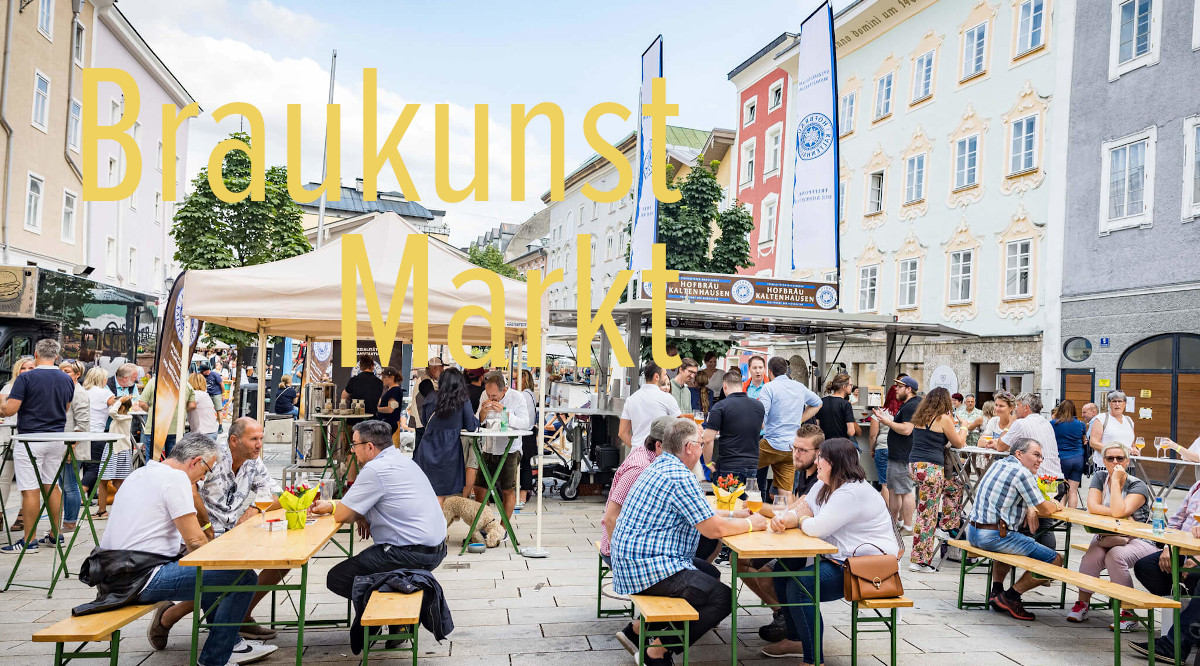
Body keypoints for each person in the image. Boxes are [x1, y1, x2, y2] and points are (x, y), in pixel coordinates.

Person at [83, 432, 276, 666]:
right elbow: (195, 542)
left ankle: (231, 644)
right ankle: (214, 659)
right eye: (206, 471)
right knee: (243, 578)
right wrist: (225, 559)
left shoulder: (141, 474)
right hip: (140, 578)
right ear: (195, 461)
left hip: (113, 574)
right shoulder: (176, 480)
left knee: (217, 577)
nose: (203, 478)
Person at [610, 419, 768, 666]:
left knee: (709, 572)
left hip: (634, 559)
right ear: (688, 447)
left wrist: (733, 515)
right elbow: (713, 529)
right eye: (702, 443)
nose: (705, 447)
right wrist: (751, 525)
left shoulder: (661, 465)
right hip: (646, 566)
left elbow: (698, 511)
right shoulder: (679, 476)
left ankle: (638, 630)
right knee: (722, 598)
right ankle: (658, 652)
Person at [760, 438, 900, 661]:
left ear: (833, 462)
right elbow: (802, 509)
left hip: (867, 569)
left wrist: (802, 518)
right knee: (782, 571)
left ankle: (814, 659)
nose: (816, 462)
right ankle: (796, 641)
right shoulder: (824, 484)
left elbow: (815, 527)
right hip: (841, 561)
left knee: (801, 587)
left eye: (819, 458)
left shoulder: (851, 492)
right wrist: (785, 520)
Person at [149, 418, 286, 645]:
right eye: (254, 439)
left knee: (283, 558)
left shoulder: (253, 461)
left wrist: (253, 509)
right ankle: (168, 616)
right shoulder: (213, 457)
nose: (259, 444)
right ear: (233, 440)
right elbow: (189, 490)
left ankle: (241, 615)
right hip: (200, 536)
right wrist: (205, 526)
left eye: (261, 439)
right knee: (232, 576)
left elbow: (276, 494)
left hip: (233, 532)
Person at [312, 420, 448, 600]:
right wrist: (359, 513)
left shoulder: (375, 469)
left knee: (339, 578)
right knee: (366, 572)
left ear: (369, 447)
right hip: (435, 549)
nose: (352, 451)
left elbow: (342, 515)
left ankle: (386, 611)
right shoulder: (402, 460)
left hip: (411, 553)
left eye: (354, 445)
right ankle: (381, 613)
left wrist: (352, 511)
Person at [966, 438, 1064, 621]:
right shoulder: (1022, 473)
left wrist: (1029, 507)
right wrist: (1056, 504)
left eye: (1041, 456)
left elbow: (1025, 498)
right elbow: (1045, 508)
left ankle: (996, 591)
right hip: (994, 536)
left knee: (1012, 539)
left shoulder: (999, 464)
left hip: (973, 533)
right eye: (1036, 455)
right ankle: (1011, 597)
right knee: (1055, 560)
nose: (1040, 460)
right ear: (1019, 454)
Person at [751, 424, 827, 643]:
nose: (795, 453)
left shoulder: (820, 480)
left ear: (819, 453)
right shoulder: (804, 471)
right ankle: (787, 618)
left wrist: (750, 504)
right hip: (801, 543)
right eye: (794, 448)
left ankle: (794, 632)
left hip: (817, 552)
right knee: (744, 562)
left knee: (779, 576)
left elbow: (790, 512)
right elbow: (791, 510)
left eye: (803, 450)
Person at [0, 339, 76, 554]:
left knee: (30, 489)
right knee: (52, 485)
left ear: (35, 353)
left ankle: (29, 540)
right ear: (57, 356)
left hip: (31, 438)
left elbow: (11, 410)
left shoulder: (26, 377)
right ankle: (55, 534)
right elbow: (66, 407)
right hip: (56, 438)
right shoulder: (66, 379)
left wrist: (2, 407)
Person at [1067, 443, 1154, 631]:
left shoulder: (1137, 485)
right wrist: (1119, 513)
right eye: (1110, 458)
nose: (1115, 462)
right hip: (1109, 535)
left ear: (1128, 461)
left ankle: (1128, 613)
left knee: (1116, 556)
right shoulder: (1099, 477)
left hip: (1140, 538)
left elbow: (1115, 510)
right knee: (1091, 557)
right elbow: (1093, 506)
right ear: (1103, 461)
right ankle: (1082, 605)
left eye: (1120, 458)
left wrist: (1115, 482)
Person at [1130, 478, 1200, 661]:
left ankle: (1176, 642)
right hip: (1182, 548)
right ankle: (1190, 620)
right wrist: (1168, 547)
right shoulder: (1197, 485)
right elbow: (1176, 520)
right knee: (1146, 567)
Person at [904, 387, 968, 573]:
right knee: (927, 515)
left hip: (916, 466)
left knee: (954, 487)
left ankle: (946, 525)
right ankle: (920, 560)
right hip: (932, 469)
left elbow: (933, 440)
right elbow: (959, 443)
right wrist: (964, 426)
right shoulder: (943, 418)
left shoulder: (920, 417)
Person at [599, 415, 672, 558]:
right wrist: (620, 557)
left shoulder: (648, 454)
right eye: (674, 446)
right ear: (659, 445)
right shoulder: (640, 468)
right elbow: (610, 518)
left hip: (639, 541)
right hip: (621, 550)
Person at [757, 356, 822, 503]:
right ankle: (790, 521)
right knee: (786, 492)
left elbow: (761, 415)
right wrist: (799, 419)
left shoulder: (768, 387)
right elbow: (818, 403)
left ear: (769, 372)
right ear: (786, 371)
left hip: (771, 445)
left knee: (743, 465)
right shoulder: (798, 387)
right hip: (791, 447)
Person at [475, 371, 532, 519]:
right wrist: (482, 413)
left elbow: (526, 424)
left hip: (510, 449)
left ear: (504, 390)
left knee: (507, 489)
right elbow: (476, 421)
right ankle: (488, 524)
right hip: (489, 447)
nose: (490, 398)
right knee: (479, 487)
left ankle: (503, 528)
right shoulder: (484, 395)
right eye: (488, 395)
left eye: (494, 396)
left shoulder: (517, 398)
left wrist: (505, 414)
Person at [415, 368, 478, 500]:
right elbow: (471, 427)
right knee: (441, 494)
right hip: (449, 451)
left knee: (427, 491)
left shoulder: (431, 396)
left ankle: (430, 519)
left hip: (427, 447)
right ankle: (438, 520)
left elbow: (424, 421)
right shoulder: (463, 399)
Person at [873, 376, 921, 534]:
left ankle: (907, 526)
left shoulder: (911, 406)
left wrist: (886, 422)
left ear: (909, 389)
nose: (896, 389)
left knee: (905, 491)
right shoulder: (908, 405)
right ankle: (896, 522)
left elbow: (907, 429)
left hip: (903, 454)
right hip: (898, 454)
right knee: (894, 489)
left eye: (900, 386)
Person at [701, 369, 764, 485]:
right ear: (741, 385)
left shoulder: (720, 406)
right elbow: (760, 427)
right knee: (747, 502)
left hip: (729, 465)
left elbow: (708, 440)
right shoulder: (759, 406)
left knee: (728, 502)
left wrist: (708, 463)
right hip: (753, 465)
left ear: (724, 386)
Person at [58, 359, 90, 538]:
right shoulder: (66, 390)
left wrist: (72, 447)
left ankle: (70, 522)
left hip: (72, 446)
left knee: (70, 485)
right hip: (63, 444)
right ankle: (67, 520)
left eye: (68, 371)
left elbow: (82, 423)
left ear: (77, 374)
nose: (64, 374)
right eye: (61, 370)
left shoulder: (79, 393)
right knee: (65, 484)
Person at [618, 362, 682, 450]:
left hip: (636, 455)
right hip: (658, 454)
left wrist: (637, 449)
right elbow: (680, 425)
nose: (666, 377)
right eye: (665, 374)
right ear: (656, 376)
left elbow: (622, 433)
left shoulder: (631, 399)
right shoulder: (667, 398)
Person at [1000, 394, 1062, 482]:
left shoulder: (1020, 423)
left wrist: (1011, 423)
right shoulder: (1046, 423)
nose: (1015, 409)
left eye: (1018, 405)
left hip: (1038, 480)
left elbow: (1001, 446)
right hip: (1057, 478)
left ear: (1026, 407)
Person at [137, 374, 196, 460]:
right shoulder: (185, 384)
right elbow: (192, 405)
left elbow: (142, 403)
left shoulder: (153, 382)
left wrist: (151, 412)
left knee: (152, 462)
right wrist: (181, 410)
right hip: (176, 428)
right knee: (174, 461)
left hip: (155, 427)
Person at [95, 395, 136, 519]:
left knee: (103, 480)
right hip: (118, 450)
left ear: (121, 407)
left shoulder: (124, 417)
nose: (113, 406)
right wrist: (120, 401)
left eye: (116, 404)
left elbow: (112, 412)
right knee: (117, 481)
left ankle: (102, 510)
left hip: (115, 451)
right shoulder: (124, 418)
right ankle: (128, 507)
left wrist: (120, 401)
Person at [79, 367, 116, 499]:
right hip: (96, 434)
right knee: (96, 468)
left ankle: (88, 496)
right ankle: (78, 494)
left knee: (85, 466)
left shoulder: (81, 391)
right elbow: (117, 408)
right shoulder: (105, 393)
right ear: (102, 379)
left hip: (80, 434)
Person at [1051, 400, 1087, 509]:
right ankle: (1070, 519)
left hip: (1061, 459)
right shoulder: (1081, 424)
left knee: (1062, 490)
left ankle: (1061, 517)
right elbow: (1084, 441)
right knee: (1073, 491)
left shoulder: (1053, 424)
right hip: (1078, 459)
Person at [1089, 391, 1135, 469]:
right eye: (1114, 401)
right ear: (1109, 403)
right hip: (1106, 466)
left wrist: (1134, 449)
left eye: (1120, 401)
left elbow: (1132, 444)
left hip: (1126, 466)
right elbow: (1093, 443)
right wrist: (1119, 451)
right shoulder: (1101, 418)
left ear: (1125, 403)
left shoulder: (1129, 420)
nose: (1117, 404)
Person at [517, 369, 539, 508]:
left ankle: (523, 495)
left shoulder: (523, 396)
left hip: (524, 435)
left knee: (524, 465)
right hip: (529, 434)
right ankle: (523, 494)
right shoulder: (531, 394)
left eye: (516, 379)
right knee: (525, 465)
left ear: (523, 379)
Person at [812, 373, 857, 440]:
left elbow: (817, 426)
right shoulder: (846, 404)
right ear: (844, 386)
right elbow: (851, 432)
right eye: (850, 385)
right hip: (840, 445)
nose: (852, 387)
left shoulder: (821, 402)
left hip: (824, 444)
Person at [342, 354, 383, 418]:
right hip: (371, 419)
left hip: (354, 419)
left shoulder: (354, 380)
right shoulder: (379, 382)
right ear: (372, 366)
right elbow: (378, 402)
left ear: (360, 367)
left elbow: (343, 397)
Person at [187, 374, 220, 439]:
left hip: (203, 433)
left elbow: (186, 405)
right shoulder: (204, 394)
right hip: (211, 431)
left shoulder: (196, 394)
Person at [374, 367, 405, 433]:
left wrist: (376, 409)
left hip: (388, 423)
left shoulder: (395, 391)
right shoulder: (391, 390)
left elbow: (390, 409)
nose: (382, 379)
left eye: (384, 377)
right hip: (386, 422)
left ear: (392, 377)